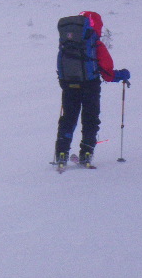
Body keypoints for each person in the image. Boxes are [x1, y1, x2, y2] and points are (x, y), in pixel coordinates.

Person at [54, 10, 130, 167]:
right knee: (90, 119)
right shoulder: (95, 43)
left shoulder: (66, 43)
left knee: (68, 118)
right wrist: (122, 75)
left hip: (69, 85)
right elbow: (108, 73)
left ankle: (61, 152)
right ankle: (86, 153)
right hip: (90, 86)